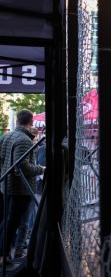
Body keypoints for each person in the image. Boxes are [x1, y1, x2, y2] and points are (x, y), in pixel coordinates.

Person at [0, 110, 45, 265]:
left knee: (7, 222)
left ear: (18, 120)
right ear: (31, 121)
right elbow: (23, 166)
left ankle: (4, 255)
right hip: (20, 189)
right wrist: (41, 169)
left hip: (6, 186)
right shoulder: (24, 140)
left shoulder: (6, 136)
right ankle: (4, 257)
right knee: (12, 223)